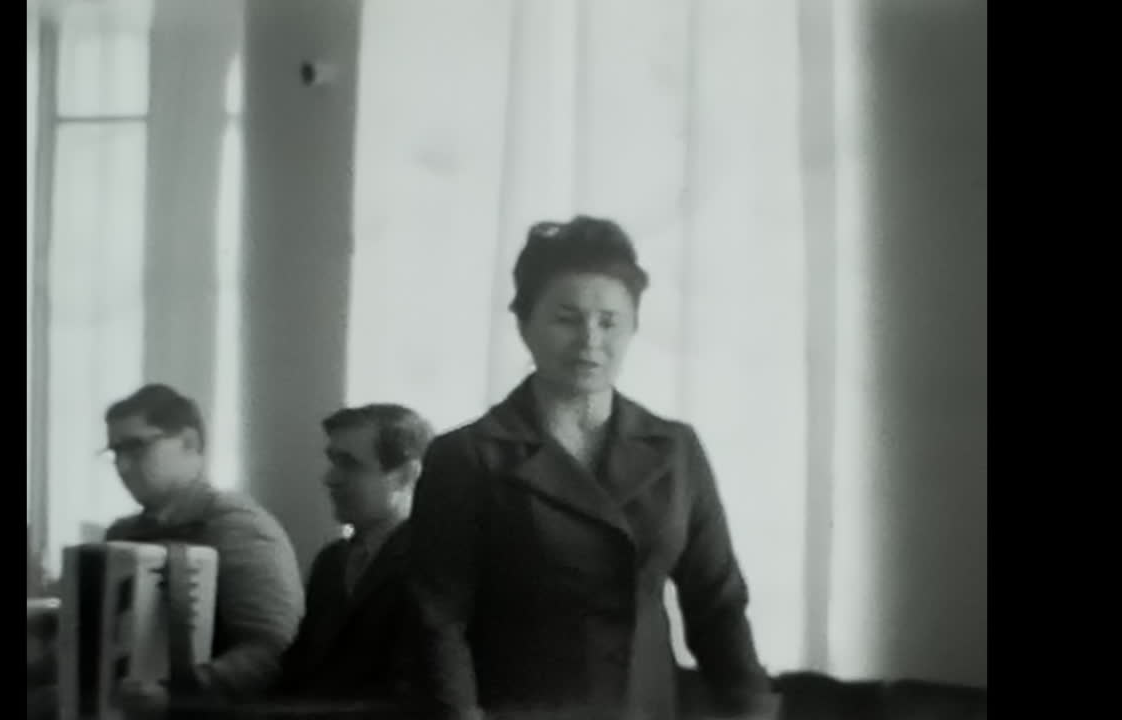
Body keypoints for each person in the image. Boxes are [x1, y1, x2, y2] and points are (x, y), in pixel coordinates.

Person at [408, 217, 777, 720]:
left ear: (633, 327)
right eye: (566, 319)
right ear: (524, 325)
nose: (589, 340)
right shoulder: (468, 455)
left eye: (609, 322)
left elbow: (718, 601)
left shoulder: (675, 449)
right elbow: (437, 618)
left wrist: (750, 711)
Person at [27, 383, 307, 719]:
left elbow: (271, 650)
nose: (123, 466)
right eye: (116, 452)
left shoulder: (236, 526)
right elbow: (85, 641)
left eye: (136, 447)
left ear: (189, 443)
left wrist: (177, 693)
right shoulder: (122, 533)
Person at [277, 404, 434, 710]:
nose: (330, 478)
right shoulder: (331, 562)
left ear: (405, 476)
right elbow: (295, 673)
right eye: (333, 461)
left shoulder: (432, 564)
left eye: (349, 464)